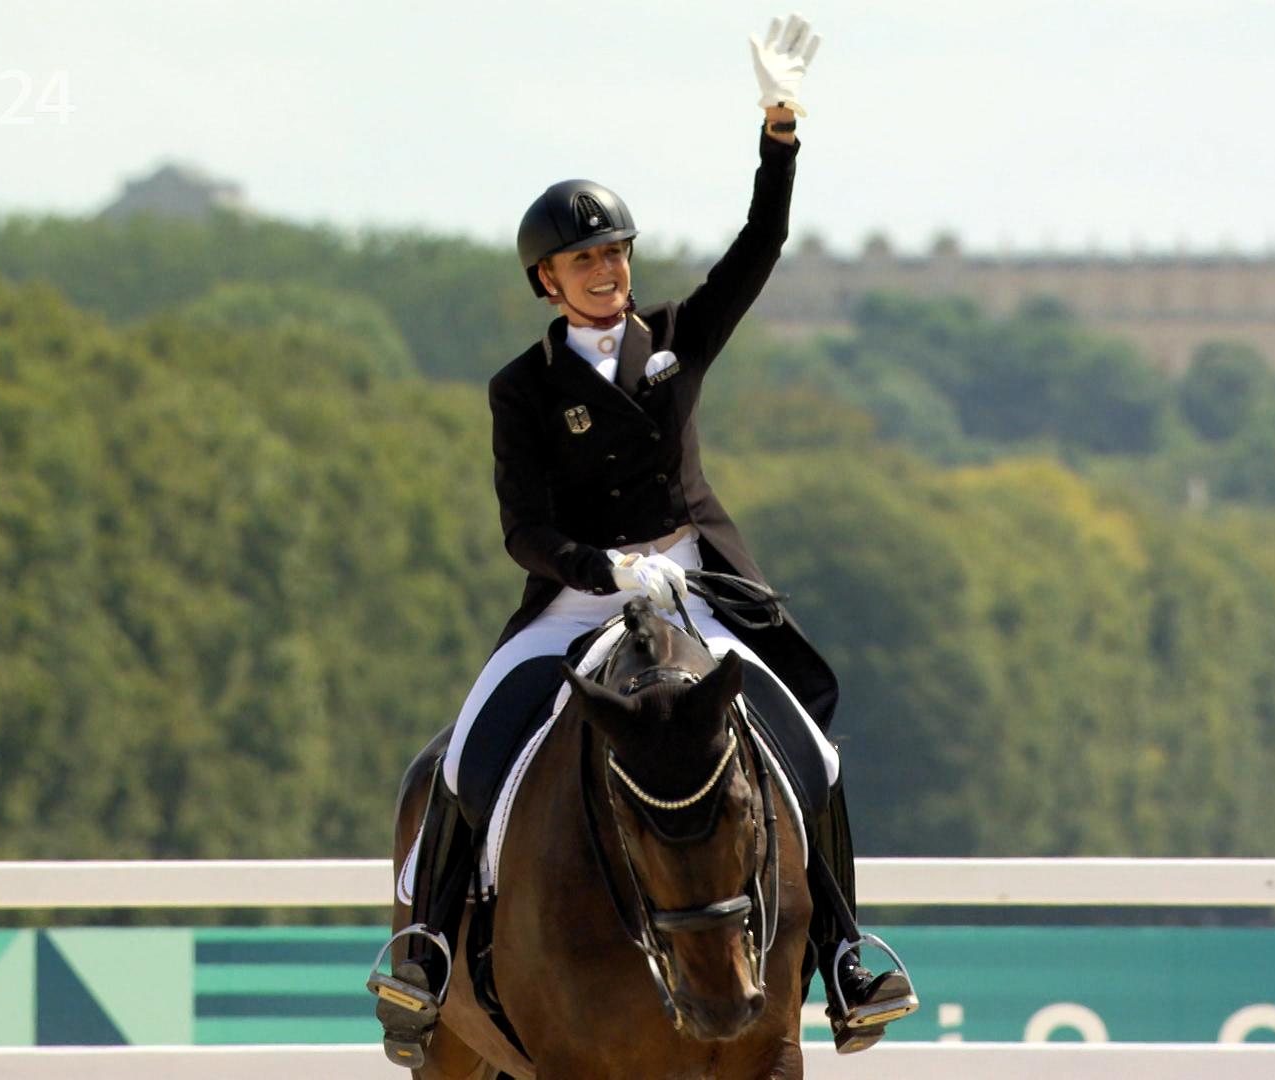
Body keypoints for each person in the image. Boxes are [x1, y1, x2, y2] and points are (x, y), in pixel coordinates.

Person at [368, 13, 917, 1067]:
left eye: (614, 252)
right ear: (547, 280)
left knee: (814, 746)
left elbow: (761, 248)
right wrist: (594, 569)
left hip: (695, 582)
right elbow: (522, 526)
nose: (605, 270)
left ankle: (847, 951)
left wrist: (780, 129)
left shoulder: (674, 339)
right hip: (579, 594)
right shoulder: (519, 390)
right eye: (583, 260)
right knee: (470, 750)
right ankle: (428, 947)